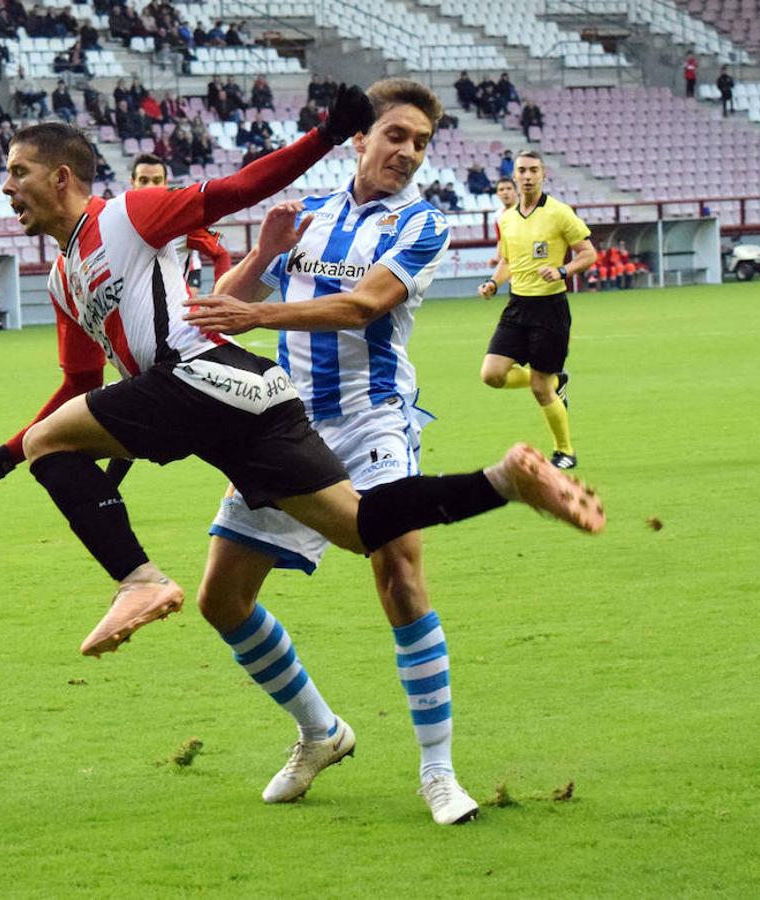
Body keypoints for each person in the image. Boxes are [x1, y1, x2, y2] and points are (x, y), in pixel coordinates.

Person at [0, 92, 604, 671]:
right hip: (246, 394)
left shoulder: (128, 213)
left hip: (201, 375)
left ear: (60, 177)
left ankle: (138, 580)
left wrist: (323, 135)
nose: (6, 186)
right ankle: (505, 481)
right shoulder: (61, 278)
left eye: (17, 172)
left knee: (53, 444)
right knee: (359, 527)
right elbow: (78, 384)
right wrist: (1, 455)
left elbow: (238, 189)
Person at [181, 78, 493, 824]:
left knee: (399, 574)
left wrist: (257, 311)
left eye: (420, 142)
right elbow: (220, 303)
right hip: (284, 426)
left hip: (373, 420)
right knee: (222, 600)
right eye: (395, 136)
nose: (408, 153)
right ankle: (321, 732)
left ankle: (438, 774)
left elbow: (362, 306)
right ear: (359, 138)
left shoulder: (420, 224)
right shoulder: (310, 216)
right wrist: (262, 254)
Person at [477, 150, 597, 470]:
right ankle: (558, 382)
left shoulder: (560, 213)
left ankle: (565, 451)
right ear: (513, 176)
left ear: (543, 175)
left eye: (533, 170)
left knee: (540, 389)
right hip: (517, 305)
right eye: (522, 171)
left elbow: (588, 254)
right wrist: (493, 282)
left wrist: (562, 271)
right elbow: (506, 261)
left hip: (550, 308)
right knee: (491, 375)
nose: (528, 176)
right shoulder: (507, 219)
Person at [128, 153, 231, 290]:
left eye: (157, 180)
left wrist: (220, 296)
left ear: (165, 183)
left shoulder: (183, 220)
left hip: (174, 308)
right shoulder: (117, 217)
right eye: (143, 180)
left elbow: (221, 255)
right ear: (132, 183)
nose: (150, 187)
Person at [487, 176, 518, 266]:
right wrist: (497, 258)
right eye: (501, 189)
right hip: (511, 262)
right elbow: (501, 239)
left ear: (516, 192)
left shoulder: (525, 212)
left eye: (509, 189)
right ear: (497, 194)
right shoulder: (498, 215)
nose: (505, 192)